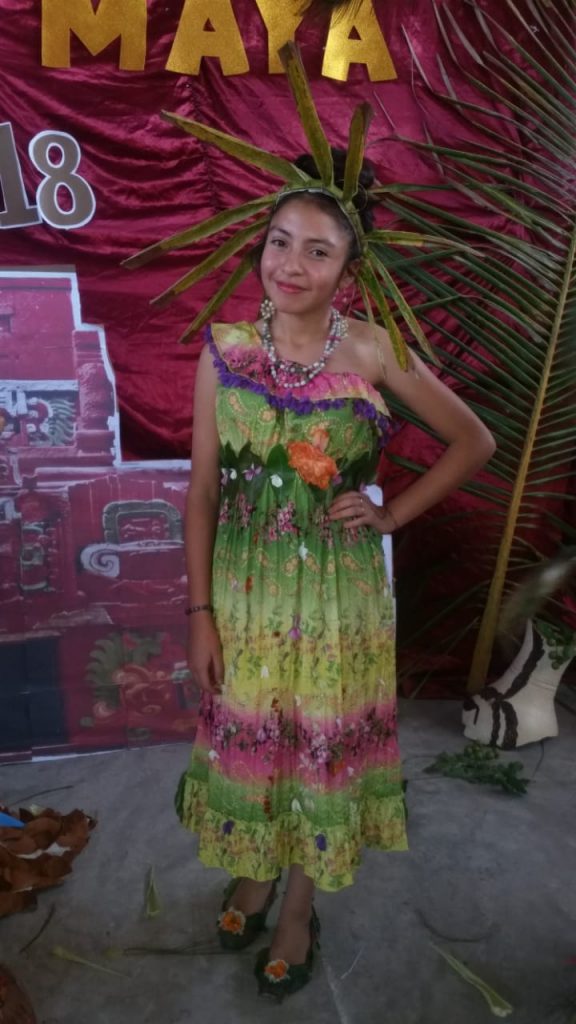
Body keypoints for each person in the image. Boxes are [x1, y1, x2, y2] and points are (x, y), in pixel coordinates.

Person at [176, 149, 495, 1002]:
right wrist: (200, 611)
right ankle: (255, 872)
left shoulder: (373, 350)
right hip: (245, 593)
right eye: (280, 242)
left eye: (318, 250)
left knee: (317, 746)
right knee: (256, 740)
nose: (291, 264)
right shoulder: (225, 353)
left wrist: (391, 513)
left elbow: (474, 441)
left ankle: (297, 908)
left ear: (349, 269)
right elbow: (202, 490)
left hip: (336, 599)